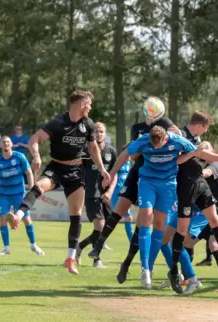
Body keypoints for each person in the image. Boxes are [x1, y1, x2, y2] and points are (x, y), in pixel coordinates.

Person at [6, 90, 110, 275]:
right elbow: (34, 139)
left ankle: (70, 258)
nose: (91, 107)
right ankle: (18, 216)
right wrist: (36, 155)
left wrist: (102, 169)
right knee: (39, 186)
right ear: (81, 104)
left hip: (76, 171)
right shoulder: (59, 122)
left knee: (76, 214)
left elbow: (93, 149)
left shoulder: (88, 124)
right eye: (89, 104)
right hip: (56, 166)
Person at [99, 125, 200, 289]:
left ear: (167, 138)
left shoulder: (179, 143)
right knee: (147, 219)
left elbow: (198, 152)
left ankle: (178, 274)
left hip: (171, 190)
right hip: (150, 184)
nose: (156, 149)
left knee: (164, 231)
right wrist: (111, 174)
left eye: (159, 146)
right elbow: (126, 154)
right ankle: (147, 269)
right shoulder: (145, 141)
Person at [90, 102, 179, 281]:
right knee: (119, 210)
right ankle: (98, 246)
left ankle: (127, 264)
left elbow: (177, 136)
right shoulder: (137, 128)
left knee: (142, 224)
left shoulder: (165, 123)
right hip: (137, 173)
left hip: (156, 178)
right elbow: (134, 155)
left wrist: (153, 143)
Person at [172, 141, 218, 294]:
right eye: (201, 148)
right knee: (186, 242)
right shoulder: (201, 164)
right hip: (205, 214)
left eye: (206, 148)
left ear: (211, 152)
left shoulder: (214, 164)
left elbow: (204, 174)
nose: (203, 150)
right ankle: (187, 277)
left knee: (214, 244)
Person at [0, 136, 44, 256]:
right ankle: (6, 248)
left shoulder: (19, 156)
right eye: (3, 142)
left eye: (8, 142)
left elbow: (29, 172)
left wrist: (32, 190)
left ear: (11, 144)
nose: (6, 144)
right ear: (0, 145)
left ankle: (33, 245)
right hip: (4, 195)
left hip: (19, 194)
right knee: (2, 220)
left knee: (26, 219)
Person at [77, 122, 117, 268]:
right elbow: (78, 173)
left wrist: (110, 192)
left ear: (105, 133)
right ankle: (96, 260)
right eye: (96, 132)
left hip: (105, 195)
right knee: (100, 225)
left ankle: (80, 246)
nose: (99, 134)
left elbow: (114, 174)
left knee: (107, 226)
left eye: (101, 131)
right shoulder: (86, 153)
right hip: (91, 193)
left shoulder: (111, 152)